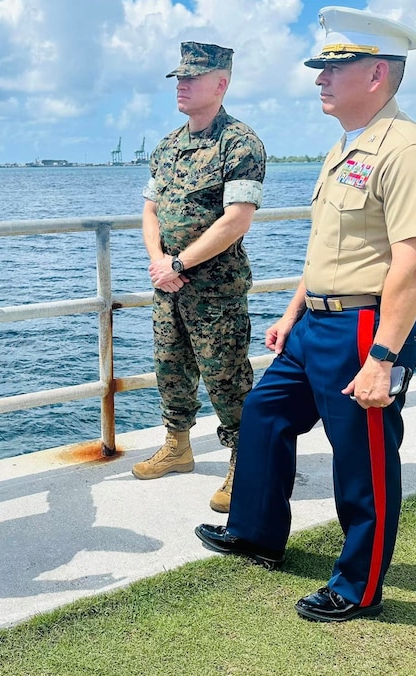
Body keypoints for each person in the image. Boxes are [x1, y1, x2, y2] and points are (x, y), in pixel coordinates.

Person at [195, 6, 416, 621]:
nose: (319, 79)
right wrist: (292, 314)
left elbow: (413, 263)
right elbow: (330, 250)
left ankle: (358, 585)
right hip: (316, 324)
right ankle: (257, 532)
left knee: (361, 457)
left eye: (337, 67)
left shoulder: (408, 149)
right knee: (264, 414)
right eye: (321, 67)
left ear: (377, 74)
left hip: (365, 328)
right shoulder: (347, 147)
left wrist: (383, 358)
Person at [134, 41, 265, 513]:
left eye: (192, 77)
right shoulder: (168, 145)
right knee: (170, 369)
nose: (182, 85)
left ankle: (245, 464)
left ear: (221, 83)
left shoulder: (240, 143)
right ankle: (178, 447)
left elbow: (236, 220)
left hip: (215, 293)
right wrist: (159, 264)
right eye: (179, 78)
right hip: (168, 286)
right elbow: (150, 210)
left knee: (227, 379)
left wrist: (178, 264)